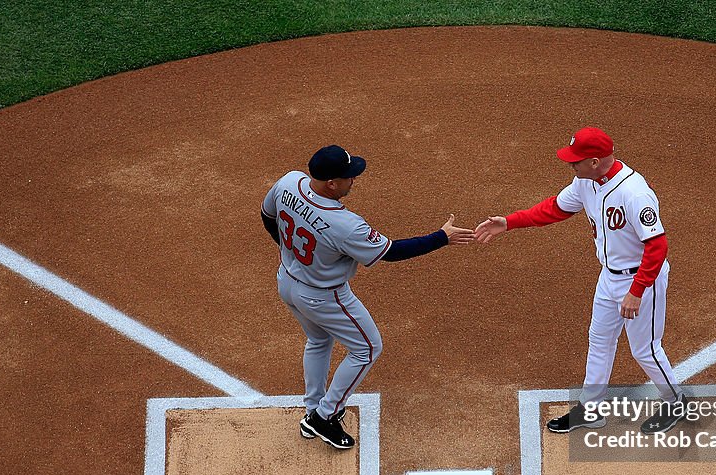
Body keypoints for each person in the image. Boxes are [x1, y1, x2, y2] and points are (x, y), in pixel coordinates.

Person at [475, 127, 688, 435]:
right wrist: (509, 222)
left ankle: (675, 402)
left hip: (642, 280)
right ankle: (591, 410)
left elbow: (657, 246)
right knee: (599, 340)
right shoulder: (585, 182)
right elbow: (555, 209)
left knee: (645, 350)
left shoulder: (634, 193)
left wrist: (636, 291)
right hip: (609, 277)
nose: (570, 164)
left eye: (576, 160)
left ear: (595, 161)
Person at [261, 145, 474, 449]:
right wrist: (442, 237)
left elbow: (267, 215)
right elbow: (391, 252)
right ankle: (323, 417)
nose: (353, 180)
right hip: (325, 296)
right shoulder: (345, 225)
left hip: (287, 281)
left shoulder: (288, 183)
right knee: (368, 348)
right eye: (348, 177)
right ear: (331, 184)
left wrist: (287, 251)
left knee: (319, 341)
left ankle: (313, 410)